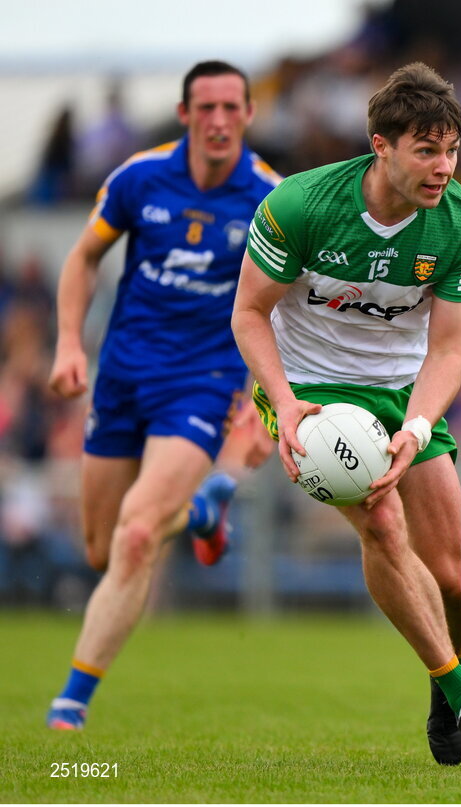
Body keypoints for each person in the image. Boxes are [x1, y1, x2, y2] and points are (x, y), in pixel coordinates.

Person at [232, 62, 461, 763]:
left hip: (403, 393)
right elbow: (247, 314)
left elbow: (450, 351)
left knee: (454, 576)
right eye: (427, 150)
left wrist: (418, 428)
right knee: (384, 522)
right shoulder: (302, 205)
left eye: (452, 149)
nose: (444, 167)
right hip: (311, 390)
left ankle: (443, 680)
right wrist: (284, 406)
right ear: (381, 145)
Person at [45, 61, 279, 730]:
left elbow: (290, 309)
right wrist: (67, 343)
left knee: (139, 532)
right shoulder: (138, 177)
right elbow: (82, 257)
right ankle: (203, 516)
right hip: (121, 378)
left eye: (232, 107)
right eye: (205, 107)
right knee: (101, 548)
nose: (219, 120)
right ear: (184, 114)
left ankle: (71, 703)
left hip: (201, 384)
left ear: (249, 115)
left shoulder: (270, 198)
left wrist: (270, 403)